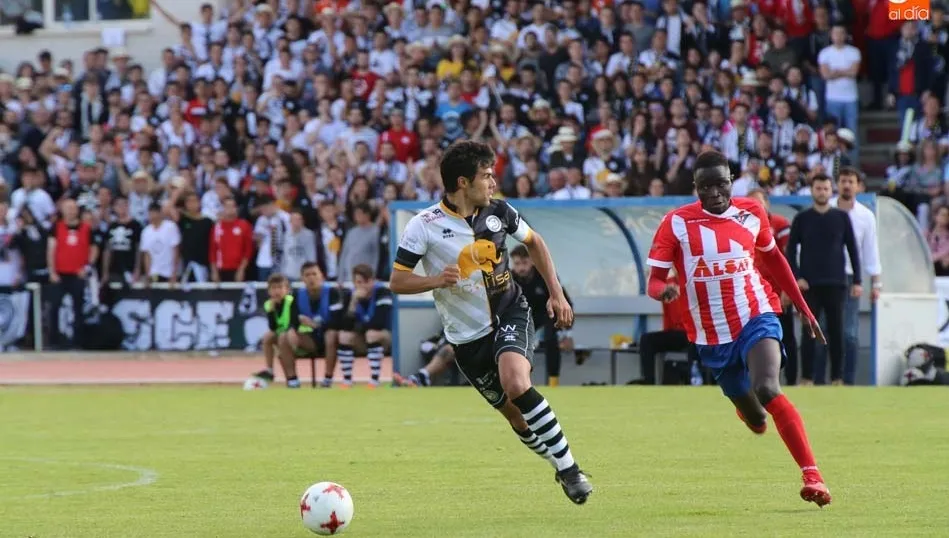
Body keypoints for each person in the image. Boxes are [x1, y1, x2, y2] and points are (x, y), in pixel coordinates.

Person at [389, 140, 593, 504]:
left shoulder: (500, 211)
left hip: (510, 311)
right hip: (465, 339)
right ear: (463, 182)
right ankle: (559, 465)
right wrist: (435, 280)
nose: (493, 183)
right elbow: (398, 280)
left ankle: (571, 470)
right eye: (486, 176)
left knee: (515, 380)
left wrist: (556, 294)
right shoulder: (423, 226)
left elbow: (536, 243)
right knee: (516, 417)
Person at [646, 150, 832, 507]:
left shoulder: (752, 212)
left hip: (756, 314)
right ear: (695, 188)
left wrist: (804, 309)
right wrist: (664, 290)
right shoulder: (676, 223)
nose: (714, 193)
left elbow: (773, 258)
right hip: (711, 334)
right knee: (757, 417)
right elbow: (653, 281)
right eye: (705, 187)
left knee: (767, 387)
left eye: (721, 184)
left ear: (731, 181)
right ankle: (749, 412)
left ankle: (814, 476)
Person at [786, 174, 861, 386]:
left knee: (837, 333)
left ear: (831, 191)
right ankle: (807, 377)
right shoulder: (802, 219)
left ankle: (838, 378)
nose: (822, 192)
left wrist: (857, 280)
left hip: (836, 283)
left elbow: (853, 250)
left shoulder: (841, 218)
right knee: (808, 332)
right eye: (818, 188)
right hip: (809, 284)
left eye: (826, 188)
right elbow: (791, 251)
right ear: (812, 190)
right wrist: (797, 277)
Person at [251, 262, 346, 388]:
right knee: (283, 336)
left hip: (327, 337)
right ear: (302, 278)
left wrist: (316, 325)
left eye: (314, 274)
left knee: (331, 334)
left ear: (321, 276)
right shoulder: (297, 295)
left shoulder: (333, 293)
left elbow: (338, 321)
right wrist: (292, 328)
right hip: (309, 339)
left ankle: (327, 380)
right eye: (307, 275)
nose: (311, 278)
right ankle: (292, 381)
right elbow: (293, 319)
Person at [828, 168, 881, 386]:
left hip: (851, 278)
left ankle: (847, 381)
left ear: (858, 186)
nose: (847, 185)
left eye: (851, 181)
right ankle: (823, 380)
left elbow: (870, 250)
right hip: (825, 276)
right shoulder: (826, 209)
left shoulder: (865, 215)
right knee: (824, 330)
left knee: (849, 333)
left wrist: (876, 282)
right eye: (843, 181)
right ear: (837, 184)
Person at [747, 188, 798, 385]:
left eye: (759, 202)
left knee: (786, 335)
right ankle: (758, 381)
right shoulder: (743, 227)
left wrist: (788, 288)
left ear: (767, 204)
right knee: (756, 338)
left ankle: (792, 380)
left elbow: (789, 257)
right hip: (755, 295)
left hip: (777, 292)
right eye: (751, 203)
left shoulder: (779, 223)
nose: (755, 207)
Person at [509, 244, 574, 387]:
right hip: (524, 315)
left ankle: (553, 382)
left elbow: (566, 303)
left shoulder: (545, 275)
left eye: (524, 263)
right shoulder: (509, 279)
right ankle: (520, 382)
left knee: (551, 339)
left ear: (532, 261)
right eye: (517, 263)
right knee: (515, 343)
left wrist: (567, 334)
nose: (521, 268)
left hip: (548, 314)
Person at [628, 267, 697, 385]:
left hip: (693, 332)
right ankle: (648, 380)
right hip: (678, 333)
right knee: (646, 340)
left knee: (694, 342)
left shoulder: (690, 283)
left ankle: (695, 379)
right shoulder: (669, 285)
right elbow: (669, 315)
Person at [337, 264, 392, 388]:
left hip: (387, 338)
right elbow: (344, 326)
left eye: (366, 281)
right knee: (344, 336)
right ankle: (347, 381)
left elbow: (379, 323)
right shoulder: (351, 296)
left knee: (372, 334)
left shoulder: (382, 292)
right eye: (358, 282)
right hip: (364, 336)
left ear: (373, 280)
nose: (363, 286)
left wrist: (359, 327)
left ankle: (374, 380)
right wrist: (353, 303)